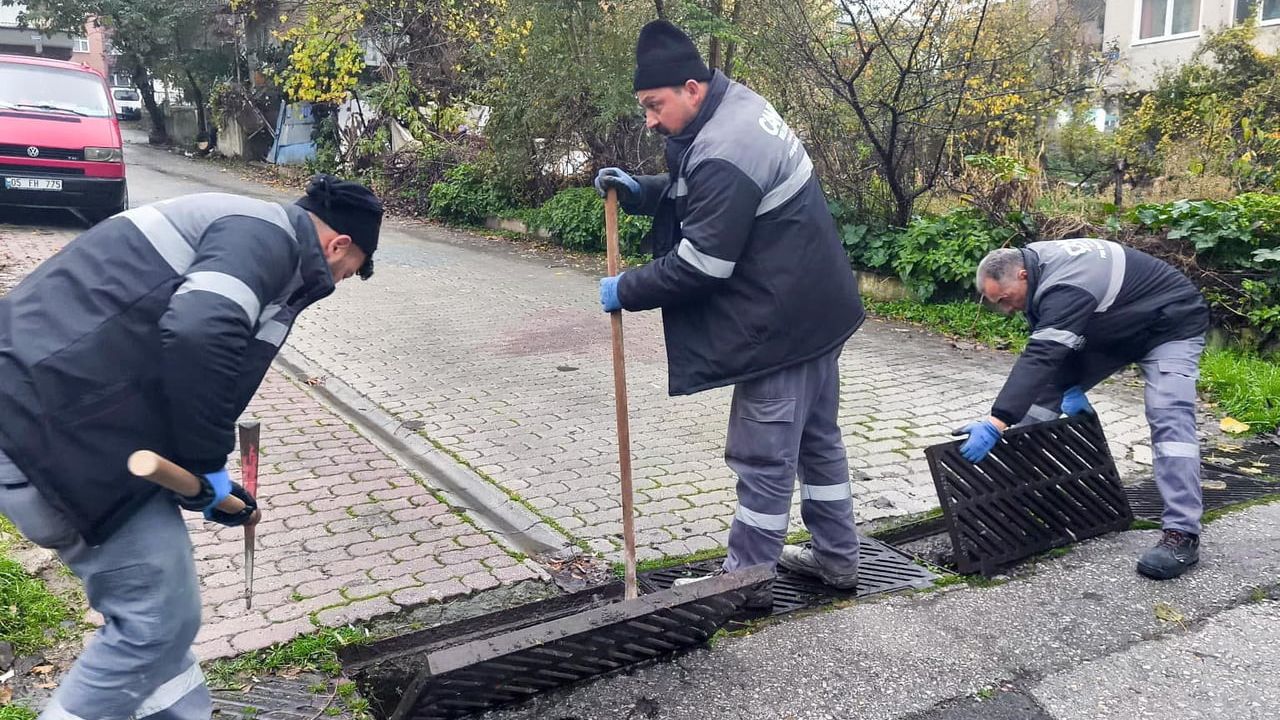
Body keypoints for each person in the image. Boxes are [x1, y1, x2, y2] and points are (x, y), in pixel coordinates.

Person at [0, 174, 383, 720]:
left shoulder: (246, 228)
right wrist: (206, 467)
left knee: (163, 620)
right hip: (49, 430)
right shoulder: (265, 236)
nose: (339, 280)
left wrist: (201, 477)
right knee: (155, 619)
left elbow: (167, 349)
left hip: (65, 420)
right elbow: (202, 330)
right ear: (338, 244)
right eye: (347, 271)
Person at [593, 20, 865, 606]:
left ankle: (744, 584)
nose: (649, 120)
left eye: (653, 105)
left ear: (691, 88)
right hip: (820, 311)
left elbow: (702, 265)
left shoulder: (725, 143)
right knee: (818, 441)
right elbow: (712, 188)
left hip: (782, 327)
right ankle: (839, 559)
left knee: (763, 455)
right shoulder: (736, 106)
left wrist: (628, 288)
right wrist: (643, 191)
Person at [959, 238, 1210, 580]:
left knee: (1168, 416)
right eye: (996, 305)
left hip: (1169, 323)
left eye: (1004, 300)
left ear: (1021, 276)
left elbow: (1043, 355)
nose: (1006, 310)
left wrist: (996, 420)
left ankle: (1182, 533)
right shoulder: (1036, 269)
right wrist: (1068, 383)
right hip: (1114, 328)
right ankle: (1012, 503)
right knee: (1039, 402)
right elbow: (1049, 358)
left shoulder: (1067, 283)